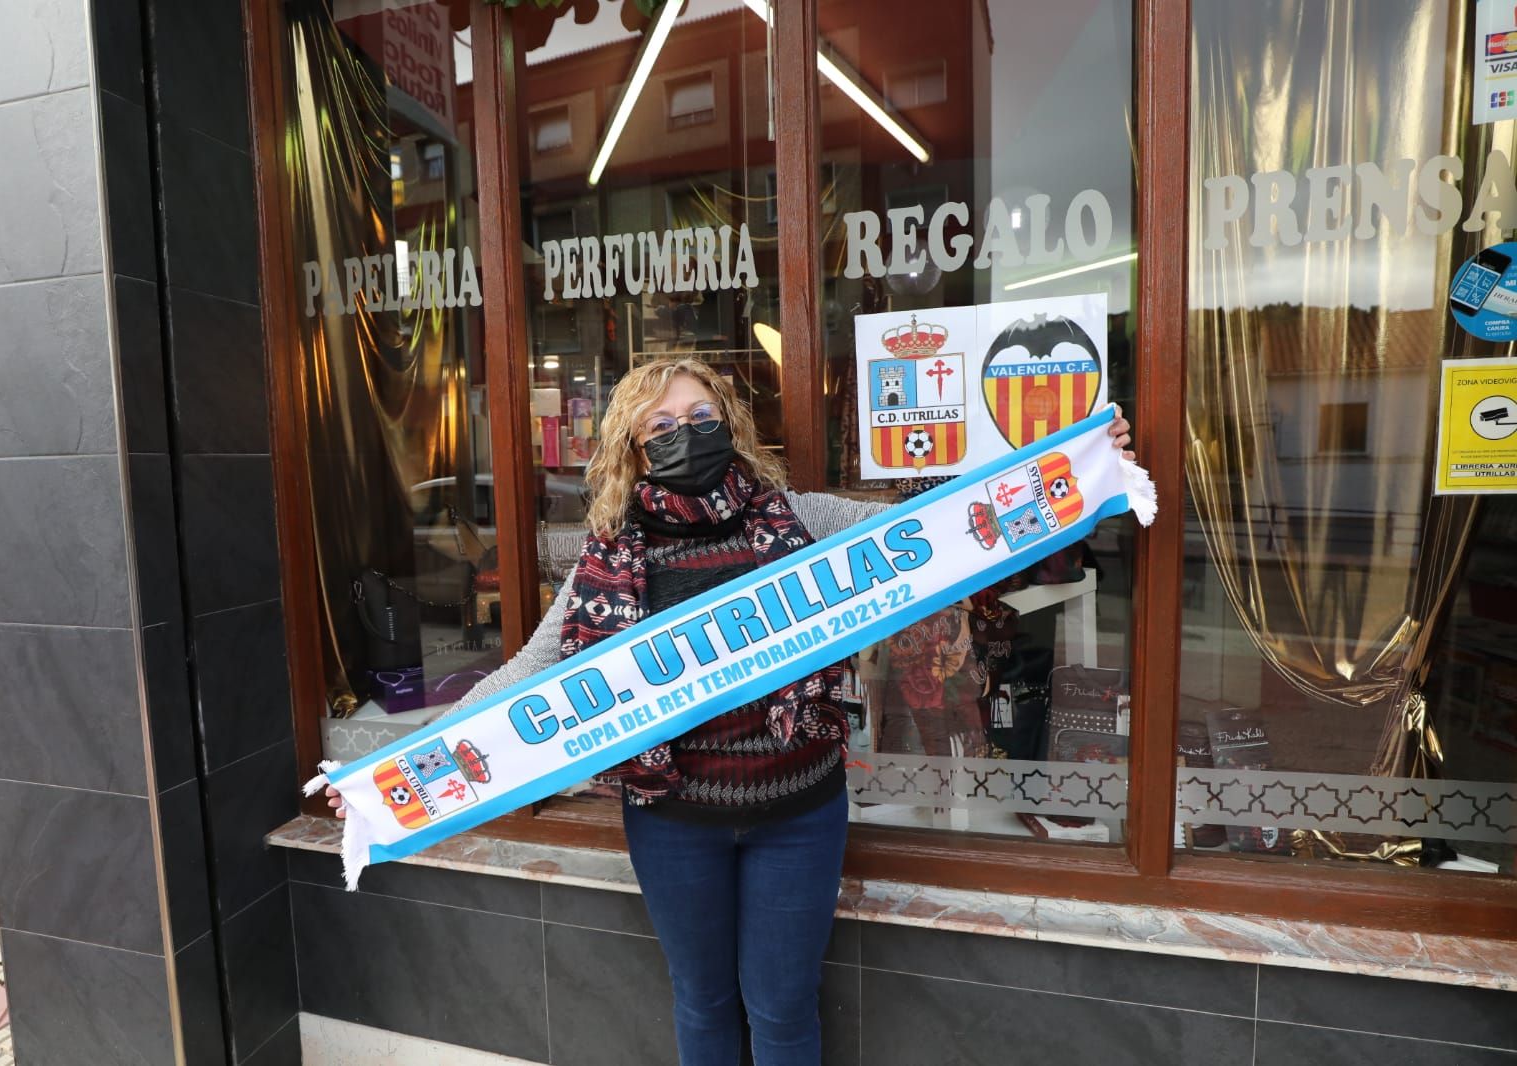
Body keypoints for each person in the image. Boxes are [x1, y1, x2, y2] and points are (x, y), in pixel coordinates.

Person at [330, 358, 1133, 1065]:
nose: (688, 433)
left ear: (731, 426)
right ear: (633, 449)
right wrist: (392, 769)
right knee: (704, 1006)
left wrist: (1076, 469)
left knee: (783, 1012)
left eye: (702, 417)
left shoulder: (800, 520)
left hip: (799, 814)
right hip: (676, 823)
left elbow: (932, 532)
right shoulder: (611, 558)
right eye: (665, 424)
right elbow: (527, 673)